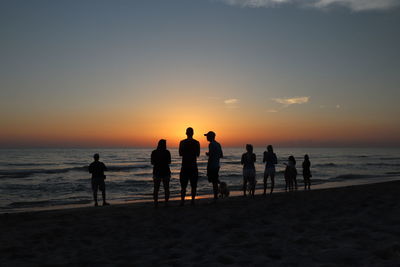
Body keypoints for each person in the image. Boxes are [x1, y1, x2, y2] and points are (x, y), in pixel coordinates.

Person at [179, 127, 200, 206]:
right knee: (193, 185)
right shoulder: (197, 142)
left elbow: (180, 154)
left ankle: (182, 201)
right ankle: (193, 201)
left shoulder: (182, 142)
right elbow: (198, 154)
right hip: (193, 166)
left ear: (186, 133)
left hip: (184, 166)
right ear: (193, 133)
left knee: (183, 186)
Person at [151, 139, 171, 207]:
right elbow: (169, 162)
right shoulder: (167, 152)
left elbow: (152, 162)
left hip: (157, 171)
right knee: (166, 188)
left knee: (156, 188)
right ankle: (166, 203)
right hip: (166, 171)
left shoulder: (154, 152)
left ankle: (156, 203)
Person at [205, 131, 223, 202]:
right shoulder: (218, 144)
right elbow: (221, 155)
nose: (206, 137)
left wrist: (208, 166)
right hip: (217, 165)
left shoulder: (211, 144)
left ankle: (216, 196)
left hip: (212, 165)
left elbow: (211, 156)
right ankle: (220, 189)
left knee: (214, 181)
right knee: (215, 180)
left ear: (211, 137)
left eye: (207, 136)